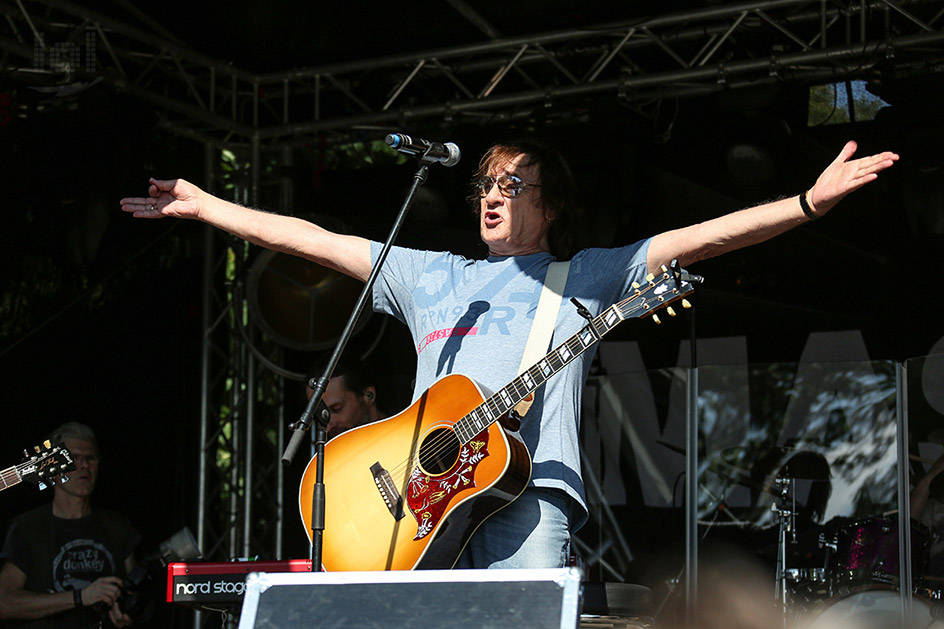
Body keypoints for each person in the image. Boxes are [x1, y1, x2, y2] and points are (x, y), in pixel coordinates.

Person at [120, 137, 897, 569]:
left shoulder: (585, 275)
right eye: (485, 184)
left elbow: (706, 236)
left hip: (531, 500)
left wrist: (805, 203)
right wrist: (205, 204)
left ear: (549, 204)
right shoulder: (433, 274)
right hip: (417, 511)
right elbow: (315, 242)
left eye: (512, 183)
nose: (492, 193)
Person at [0, 422, 140, 628]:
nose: (84, 465)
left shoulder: (116, 526)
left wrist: (128, 613)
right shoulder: (28, 528)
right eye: (73, 458)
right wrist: (81, 596)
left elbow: (136, 591)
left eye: (90, 458)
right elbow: (5, 603)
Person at [307, 354, 388, 440]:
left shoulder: (401, 436)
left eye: (336, 409)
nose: (329, 427)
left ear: (368, 396)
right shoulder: (332, 452)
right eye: (321, 416)